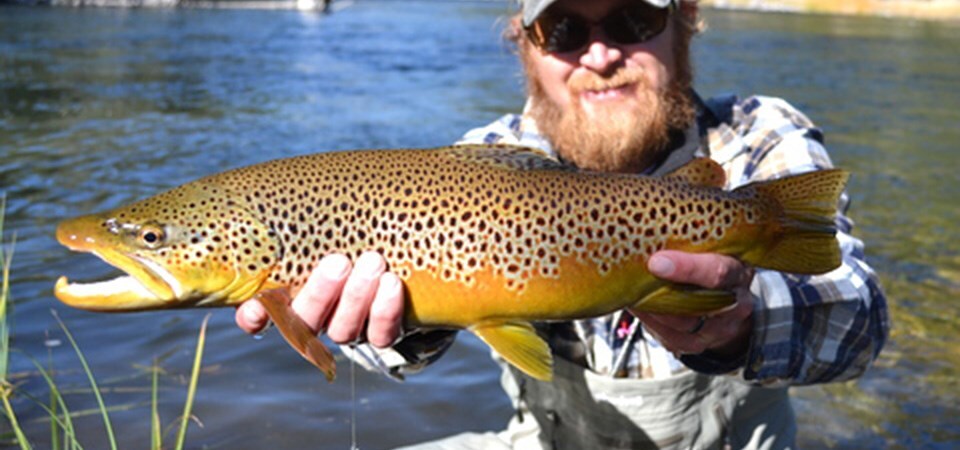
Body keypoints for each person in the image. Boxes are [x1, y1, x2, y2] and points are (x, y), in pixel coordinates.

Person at [236, 0, 889, 448]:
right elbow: (376, 346)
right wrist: (396, 326)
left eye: (633, 19)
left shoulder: (759, 136)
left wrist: (737, 323)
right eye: (565, 29)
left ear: (684, 22)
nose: (601, 54)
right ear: (524, 45)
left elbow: (859, 321)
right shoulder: (477, 166)